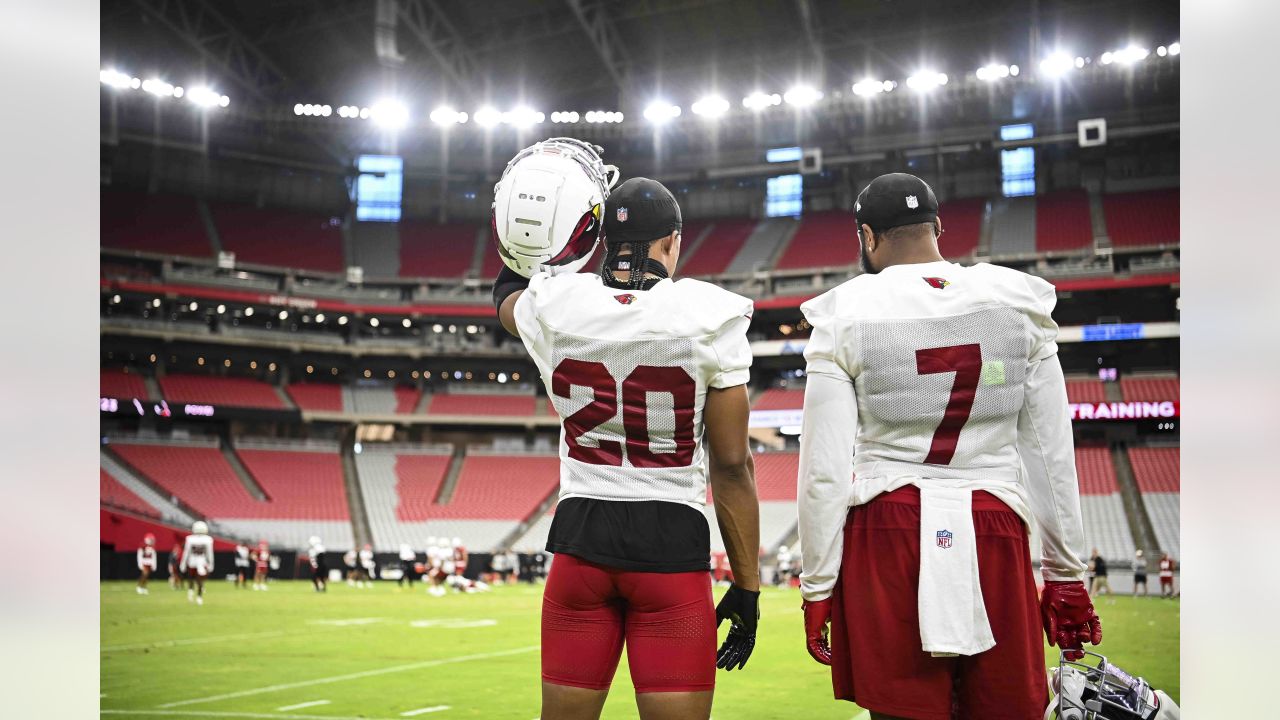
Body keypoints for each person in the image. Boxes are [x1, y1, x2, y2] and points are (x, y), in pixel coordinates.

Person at [796, 173, 1101, 719]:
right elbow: (1051, 456)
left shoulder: (846, 312)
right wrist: (1066, 572)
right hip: (995, 525)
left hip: (887, 525)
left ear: (867, 236)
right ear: (938, 227)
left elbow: (823, 470)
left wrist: (817, 584)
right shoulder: (1016, 301)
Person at [492, 139, 762, 720]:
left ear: (601, 241)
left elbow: (509, 295)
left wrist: (532, 229)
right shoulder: (711, 317)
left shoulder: (555, 305)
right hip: (670, 546)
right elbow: (733, 465)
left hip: (580, 544)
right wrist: (747, 585)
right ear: (673, 242)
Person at [180, 521, 214, 605]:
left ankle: (194, 593)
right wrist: (211, 564)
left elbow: (186, 552)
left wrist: (183, 563)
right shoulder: (207, 539)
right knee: (198, 580)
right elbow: (209, 554)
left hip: (194, 561)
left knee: (194, 579)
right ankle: (197, 595)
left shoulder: (190, 539)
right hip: (199, 562)